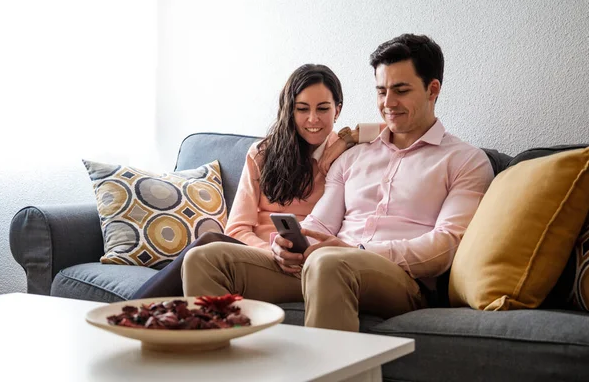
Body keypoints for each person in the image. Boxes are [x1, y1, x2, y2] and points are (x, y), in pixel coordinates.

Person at [181, 34, 495, 331]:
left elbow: (446, 246)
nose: (388, 103)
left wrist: (358, 250)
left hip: (401, 280)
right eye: (381, 91)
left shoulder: (465, 160)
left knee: (330, 263)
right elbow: (319, 224)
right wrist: (286, 245)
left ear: (433, 89)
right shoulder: (353, 156)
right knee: (206, 259)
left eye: (401, 90)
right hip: (326, 266)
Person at [131, 64, 380, 299]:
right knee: (208, 245)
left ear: (338, 109)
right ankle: (136, 314)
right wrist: (270, 250)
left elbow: (399, 126)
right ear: (289, 110)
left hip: (306, 261)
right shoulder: (263, 153)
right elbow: (237, 229)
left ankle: (130, 312)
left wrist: (349, 139)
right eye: (302, 109)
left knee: (208, 245)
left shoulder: (349, 157)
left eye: (323, 109)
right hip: (257, 254)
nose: (313, 119)